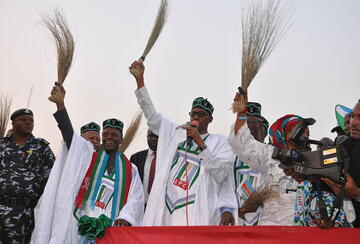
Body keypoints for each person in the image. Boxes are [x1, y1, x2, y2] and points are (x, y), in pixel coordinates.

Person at [31, 86, 144, 244]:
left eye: (114, 135)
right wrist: (60, 105)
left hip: (111, 228)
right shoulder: (89, 157)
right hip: (80, 223)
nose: (109, 138)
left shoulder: (130, 169)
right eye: (105, 135)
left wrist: (125, 217)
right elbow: (70, 137)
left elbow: (136, 198)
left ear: (121, 139)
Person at [129, 61, 236, 226]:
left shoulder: (220, 142)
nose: (196, 117)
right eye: (193, 113)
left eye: (201, 114)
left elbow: (221, 174)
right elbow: (152, 116)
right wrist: (140, 81)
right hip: (166, 211)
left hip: (197, 214)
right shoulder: (176, 133)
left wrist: (200, 143)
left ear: (210, 119)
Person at [228, 92, 351, 228]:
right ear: (285, 134)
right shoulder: (270, 155)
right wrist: (241, 112)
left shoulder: (316, 159)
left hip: (306, 231)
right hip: (272, 229)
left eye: (307, 130)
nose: (306, 132)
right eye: (301, 129)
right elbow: (243, 143)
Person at [0, 108, 55, 243]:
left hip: (23, 213)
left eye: (31, 120)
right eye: (23, 120)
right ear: (13, 123)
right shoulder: (1, 145)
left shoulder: (42, 147)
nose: (28, 123)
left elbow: (50, 178)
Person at [322, 99, 360, 227]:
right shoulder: (347, 147)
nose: (352, 123)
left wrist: (356, 193)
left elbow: (353, 191)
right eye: (353, 116)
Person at [232, 102, 269, 226]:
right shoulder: (233, 154)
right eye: (247, 123)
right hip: (237, 217)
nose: (250, 127)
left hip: (264, 217)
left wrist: (259, 201)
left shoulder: (271, 154)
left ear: (265, 131)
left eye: (254, 123)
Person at [51, 84, 101, 151]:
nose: (95, 141)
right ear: (81, 140)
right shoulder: (76, 152)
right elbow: (67, 129)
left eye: (98, 140)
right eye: (91, 138)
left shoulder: (103, 159)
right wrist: (60, 103)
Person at [130, 129, 158, 204]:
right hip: (140, 205)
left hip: (159, 207)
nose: (153, 139)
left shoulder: (169, 159)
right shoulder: (135, 158)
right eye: (151, 136)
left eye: (157, 136)